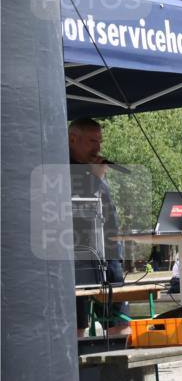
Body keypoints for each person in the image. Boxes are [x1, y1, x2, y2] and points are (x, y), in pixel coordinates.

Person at [68, 118, 129, 337]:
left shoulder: (94, 168)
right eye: (92, 141)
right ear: (72, 139)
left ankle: (120, 358)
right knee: (77, 326)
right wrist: (96, 178)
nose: (98, 147)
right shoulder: (61, 165)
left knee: (120, 323)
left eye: (100, 141)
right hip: (78, 256)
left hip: (109, 253)